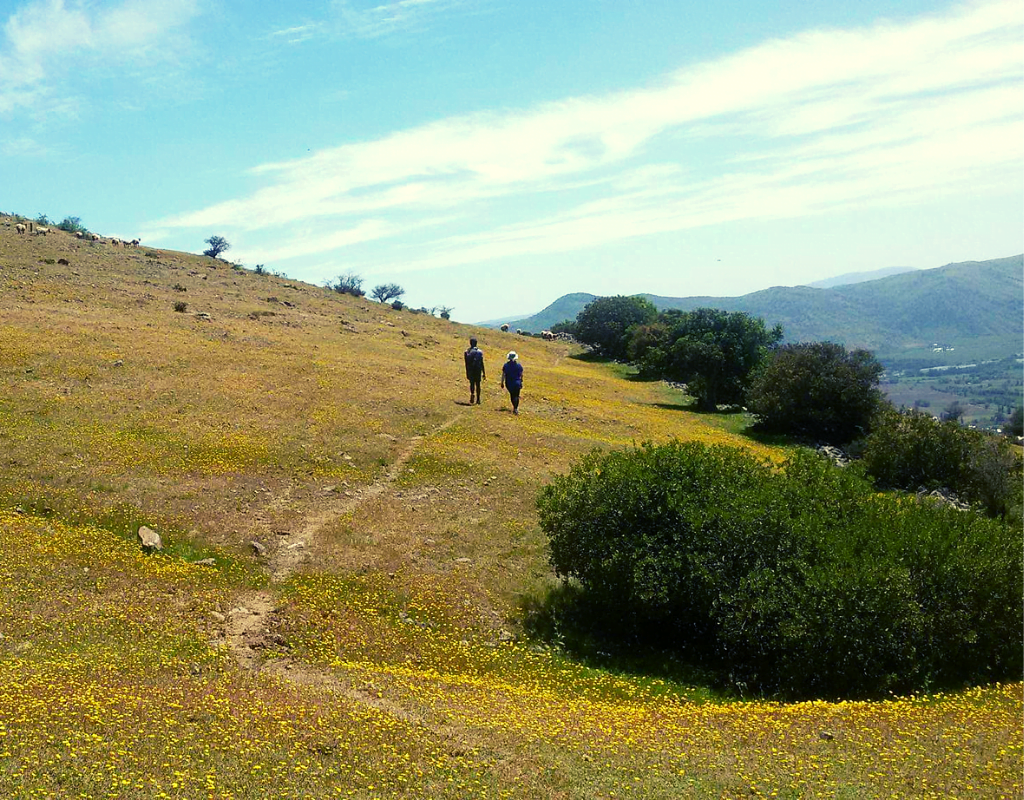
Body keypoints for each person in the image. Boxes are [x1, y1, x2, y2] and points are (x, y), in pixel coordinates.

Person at [464, 337, 486, 404]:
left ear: (470, 343)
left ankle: (472, 394)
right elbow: (482, 362)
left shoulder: (467, 352)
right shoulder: (479, 352)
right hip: (478, 370)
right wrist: (484, 372)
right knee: (478, 384)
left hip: (471, 370)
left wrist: (467, 372)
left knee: (472, 383)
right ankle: (478, 399)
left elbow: (466, 363)